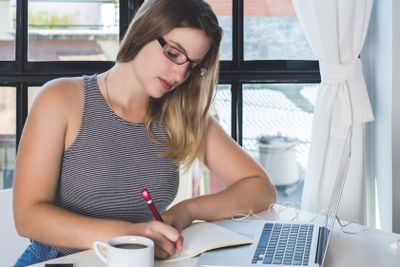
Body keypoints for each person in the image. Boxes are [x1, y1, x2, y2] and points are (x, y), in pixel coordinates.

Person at [12, 0, 276, 266]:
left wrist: (188, 210)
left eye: (193, 66)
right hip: (59, 260)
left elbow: (260, 187)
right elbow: (28, 217)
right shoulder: (60, 99)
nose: (180, 74)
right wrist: (128, 233)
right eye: (174, 53)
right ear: (143, 32)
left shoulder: (181, 115)